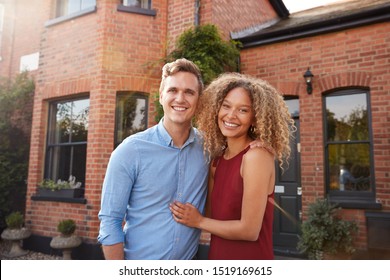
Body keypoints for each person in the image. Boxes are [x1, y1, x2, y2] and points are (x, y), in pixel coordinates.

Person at [170, 73, 294, 260]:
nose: (231, 115)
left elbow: (249, 230)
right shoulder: (217, 160)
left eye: (243, 110)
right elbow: (212, 213)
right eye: (226, 106)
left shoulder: (256, 156)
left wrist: (199, 221)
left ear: (254, 117)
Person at [97, 58, 208, 260]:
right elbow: (110, 221)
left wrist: (257, 145)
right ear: (161, 96)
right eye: (173, 90)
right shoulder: (130, 151)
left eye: (189, 92)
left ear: (198, 100)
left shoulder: (208, 147)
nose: (180, 99)